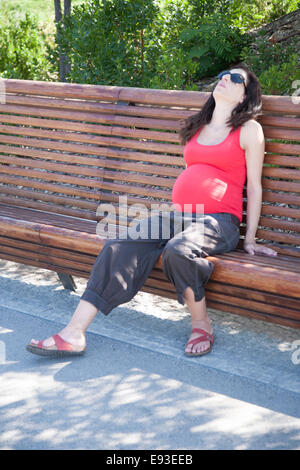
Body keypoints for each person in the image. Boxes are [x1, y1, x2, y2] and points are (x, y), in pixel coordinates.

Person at [26, 64, 277, 359]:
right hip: (179, 215)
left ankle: (201, 324)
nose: (225, 79)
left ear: (246, 96)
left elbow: (255, 187)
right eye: (223, 75)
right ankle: (74, 333)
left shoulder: (249, 130)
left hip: (219, 221)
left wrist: (249, 240)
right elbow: (193, 173)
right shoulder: (200, 125)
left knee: (178, 250)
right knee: (119, 245)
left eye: (236, 79)